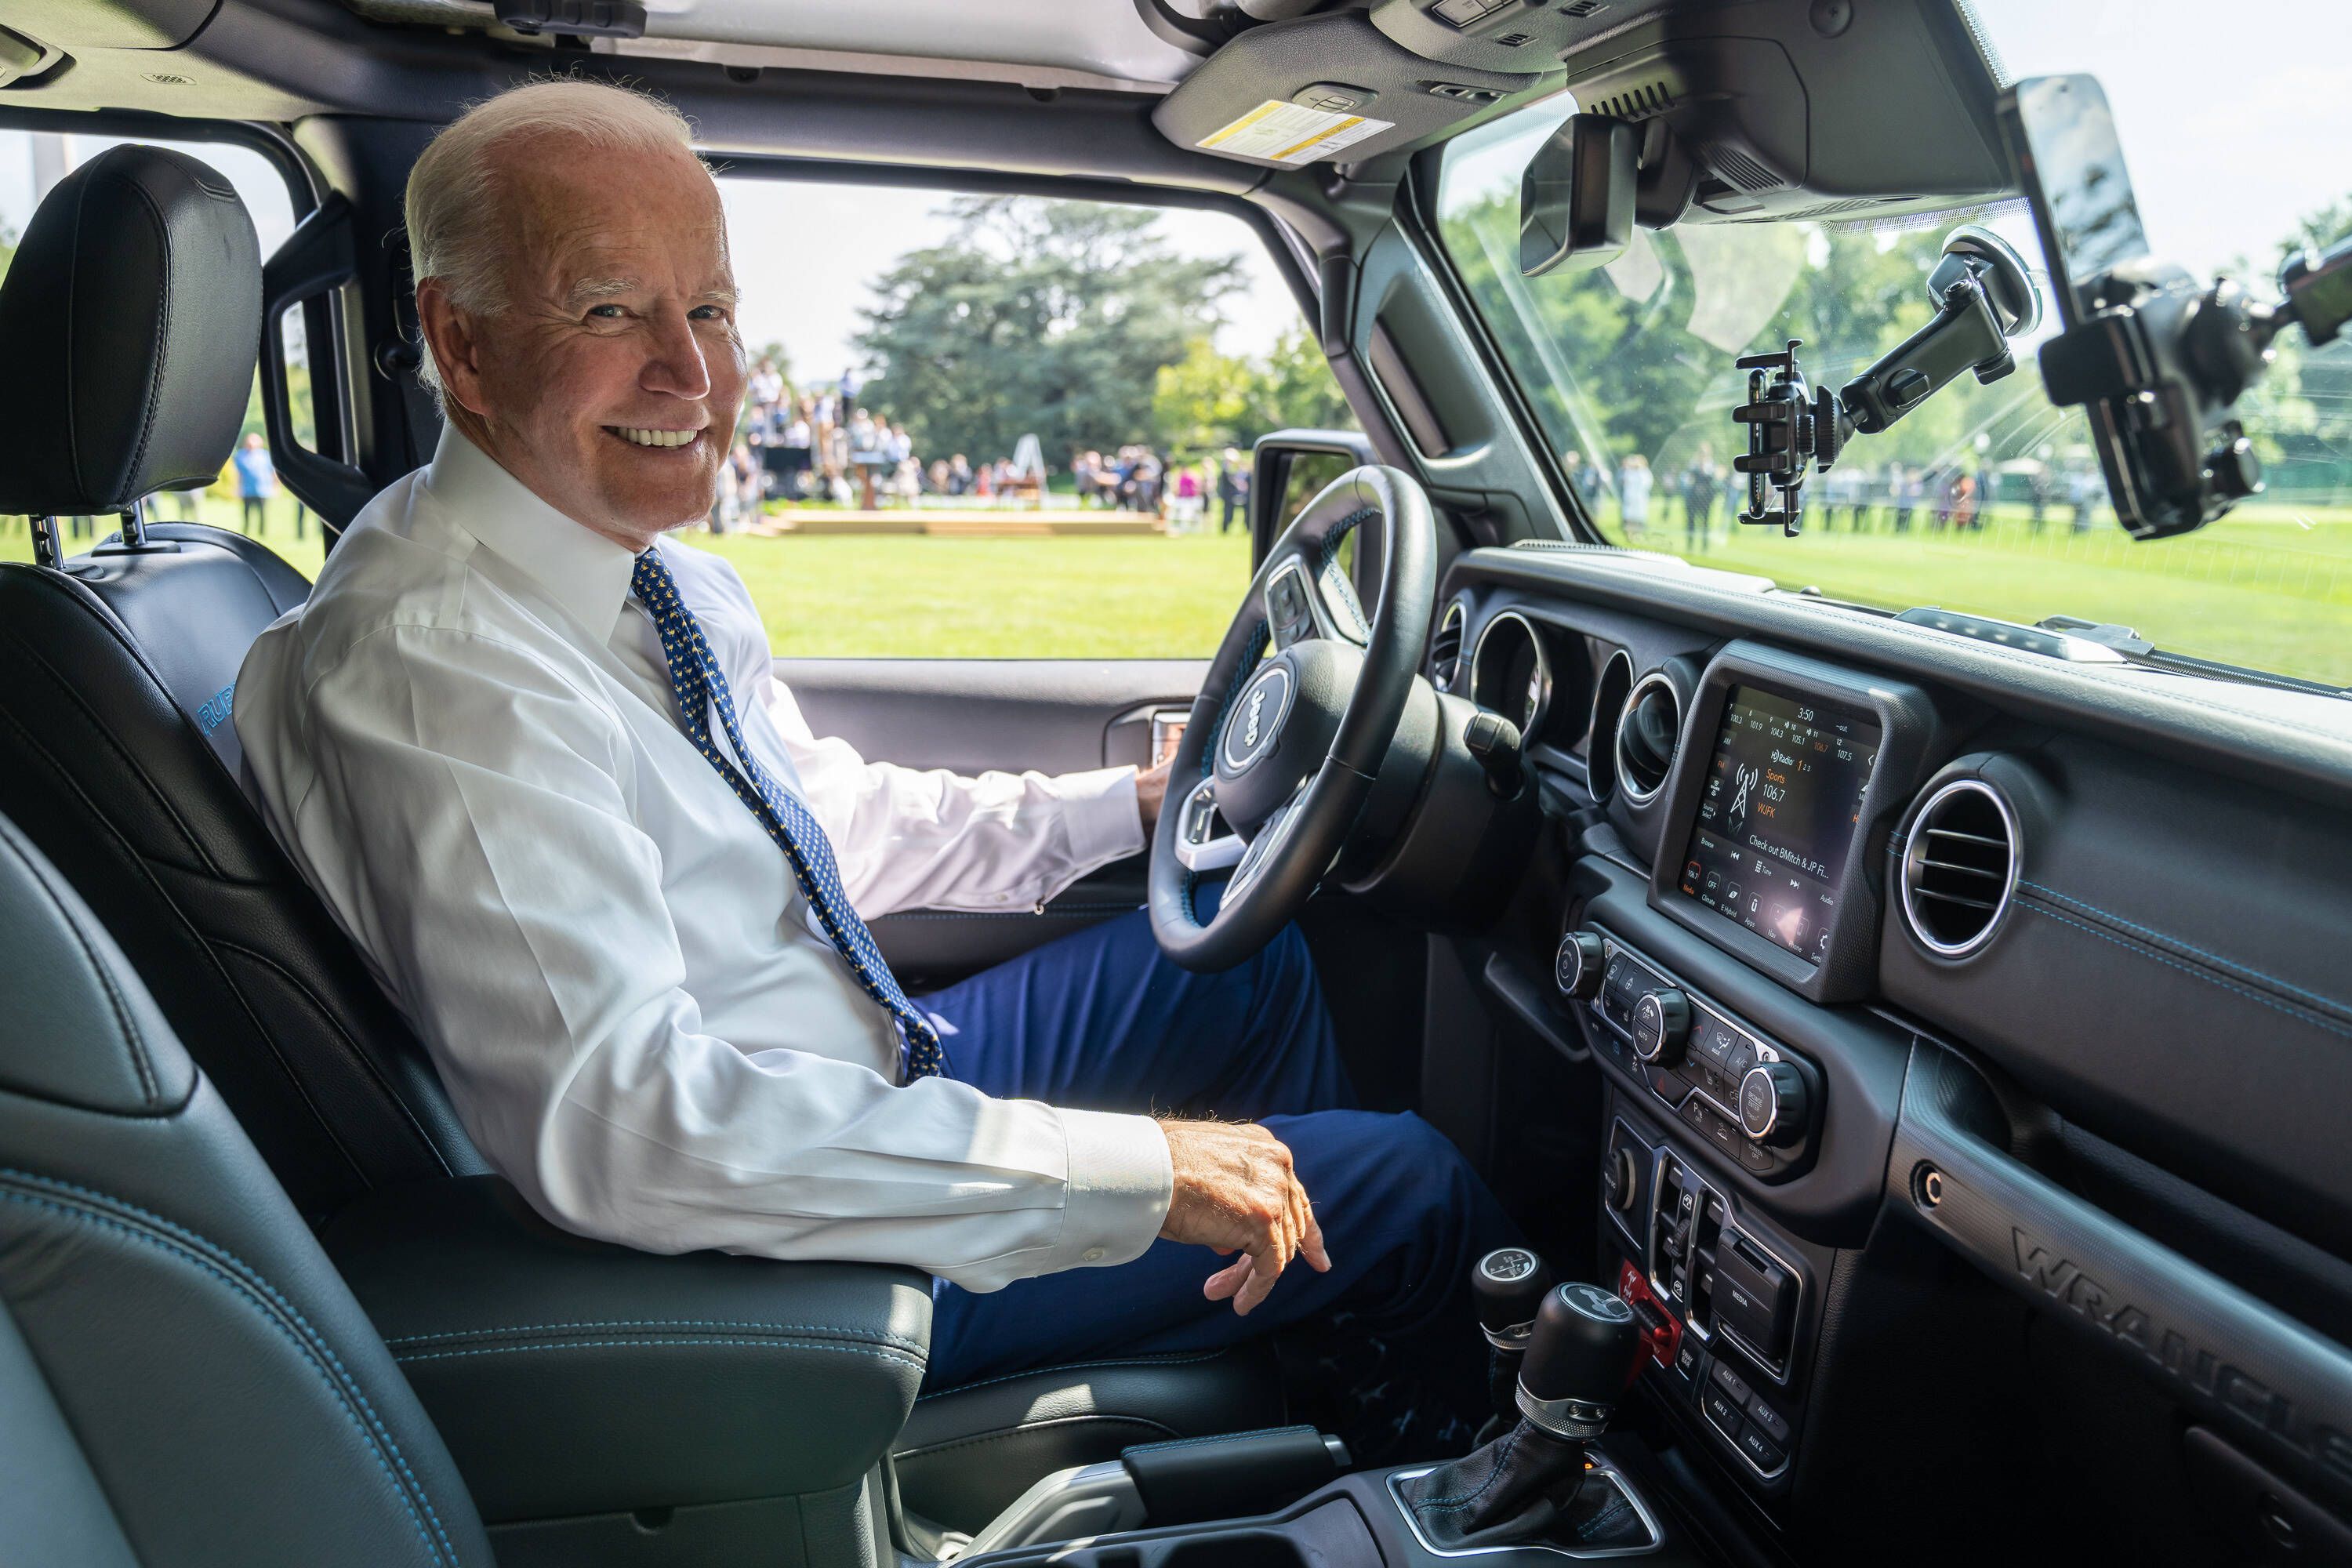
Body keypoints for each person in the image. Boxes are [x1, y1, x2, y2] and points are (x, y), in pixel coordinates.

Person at [235, 82, 1509, 1428]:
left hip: (850, 1076)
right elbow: (636, 1132)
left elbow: (816, 822)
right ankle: (1443, 1440)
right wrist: (1146, 1174)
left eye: (711, 310)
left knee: (1251, 965)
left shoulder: (645, 576)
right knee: (1410, 1183)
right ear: (464, 344)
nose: (692, 373)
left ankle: (1282, 1343)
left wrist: (1126, 806)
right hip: (771, 1253)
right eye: (609, 310)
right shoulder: (440, 667)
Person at [232, 431, 278, 536]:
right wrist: (237, 488)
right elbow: (238, 474)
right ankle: (246, 531)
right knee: (246, 513)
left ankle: (262, 533)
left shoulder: (265, 456)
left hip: (263, 490)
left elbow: (273, 473)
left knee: (262, 513)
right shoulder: (241, 455)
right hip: (247, 490)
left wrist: (275, 487)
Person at [1617, 452, 1652, 538]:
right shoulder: (1629, 472)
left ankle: (1637, 534)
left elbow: (1646, 485)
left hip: (1639, 499)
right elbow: (1625, 482)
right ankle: (1629, 535)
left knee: (1638, 517)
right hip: (1629, 498)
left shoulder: (1645, 472)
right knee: (1629, 517)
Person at [1217, 448, 1249, 535]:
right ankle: (1225, 529)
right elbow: (1230, 481)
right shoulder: (1225, 470)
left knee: (1229, 512)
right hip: (1228, 495)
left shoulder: (1227, 470)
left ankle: (1226, 529)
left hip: (1229, 495)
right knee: (1227, 512)